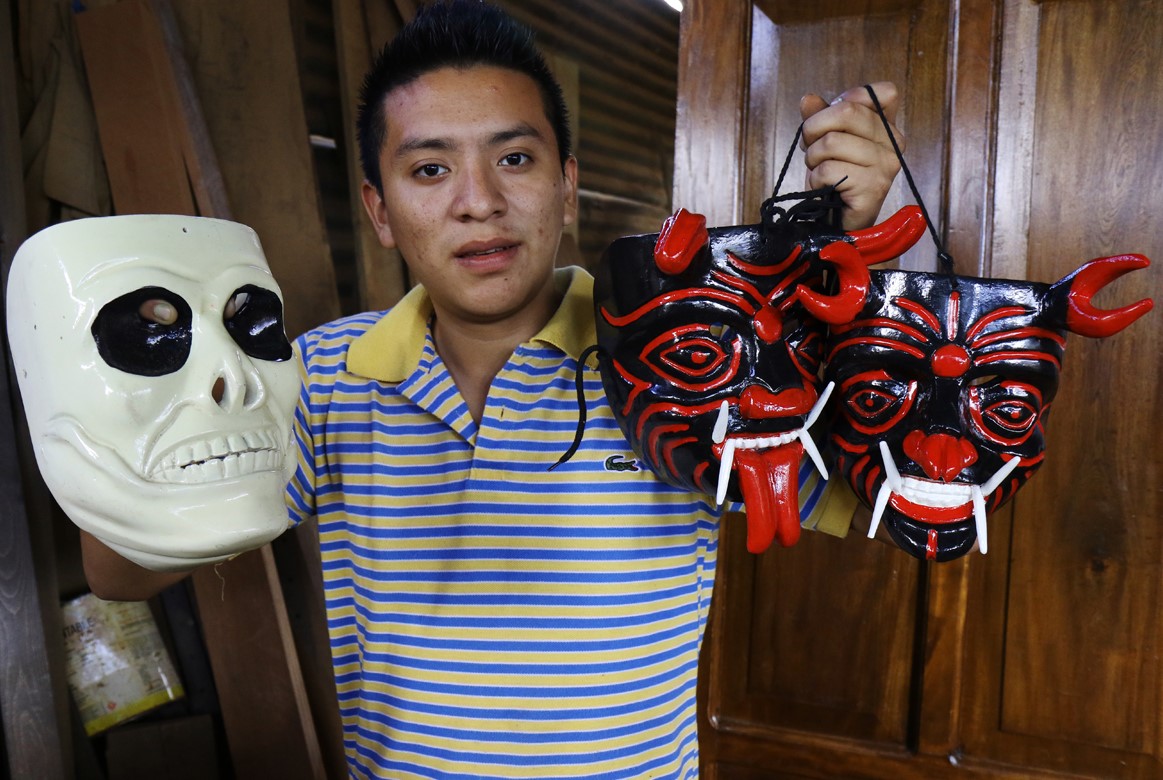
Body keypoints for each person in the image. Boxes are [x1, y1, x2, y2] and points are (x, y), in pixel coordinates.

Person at [83, 1, 904, 776]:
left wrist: (848, 272)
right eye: (429, 168)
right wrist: (158, 374)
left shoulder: (681, 361)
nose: (478, 203)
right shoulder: (320, 376)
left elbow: (890, 500)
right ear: (379, 210)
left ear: (566, 184)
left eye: (514, 159)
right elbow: (120, 574)